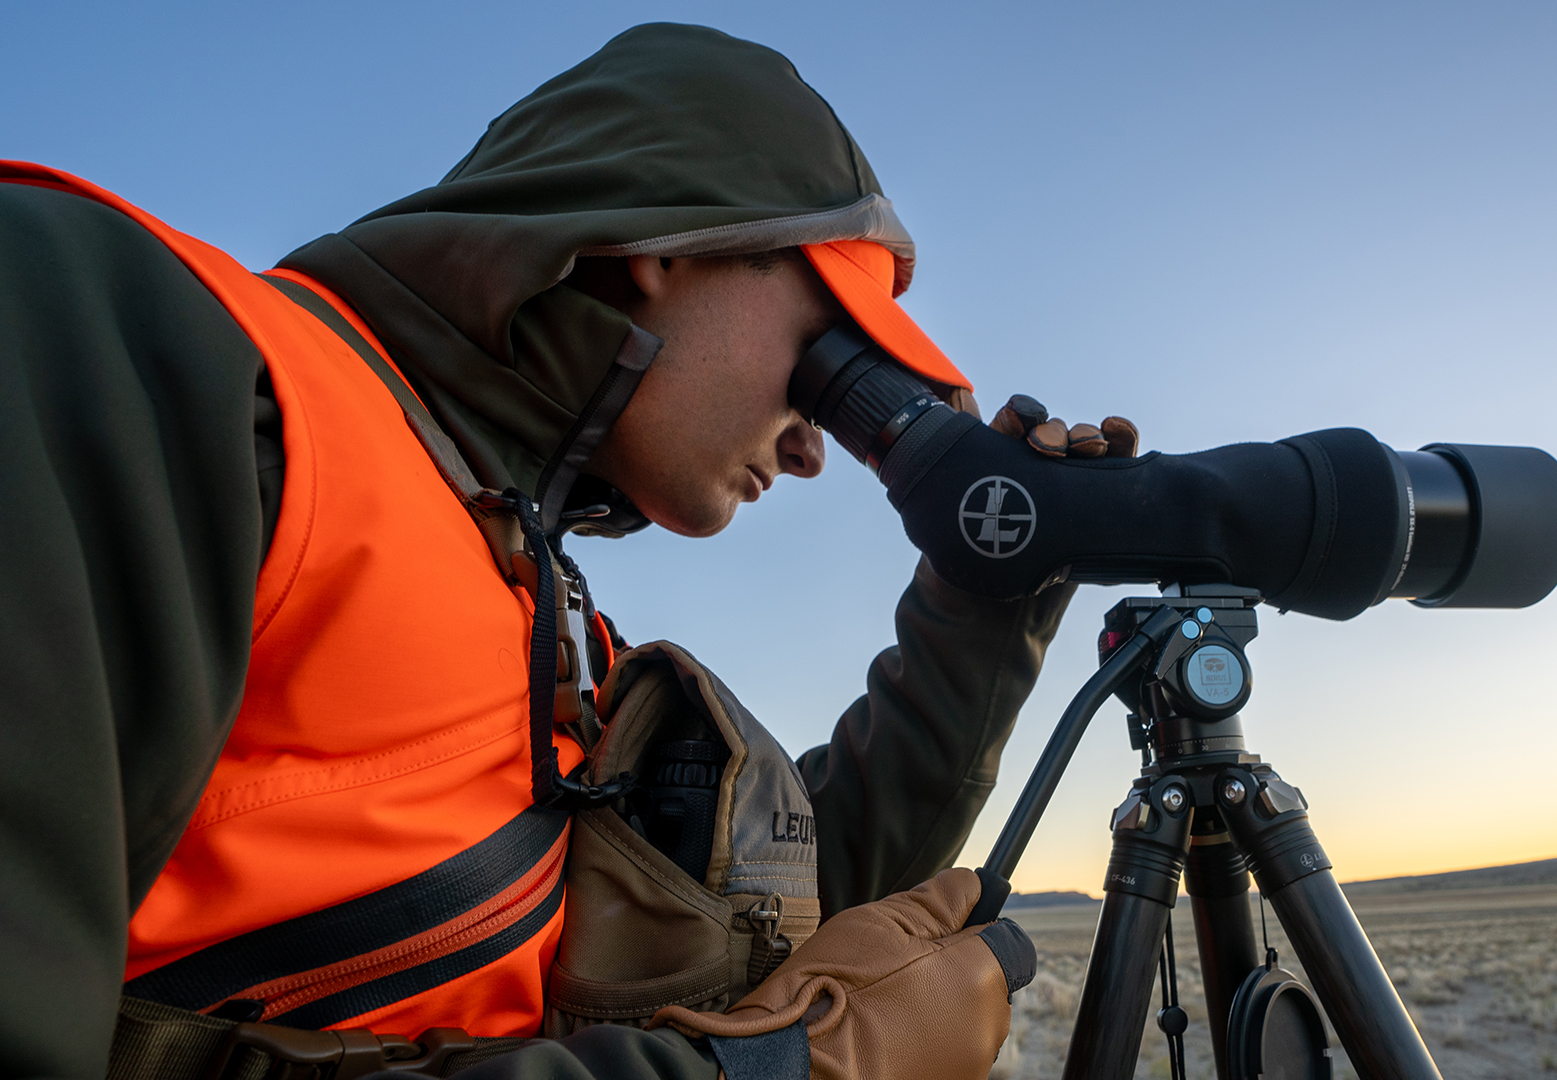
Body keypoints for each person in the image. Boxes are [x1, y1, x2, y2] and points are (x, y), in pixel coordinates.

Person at [0, 23, 1134, 1080]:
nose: (814, 450)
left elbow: (772, 908)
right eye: (834, 360)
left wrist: (979, 613)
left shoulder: (546, 621)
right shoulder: (118, 340)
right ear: (675, 237)